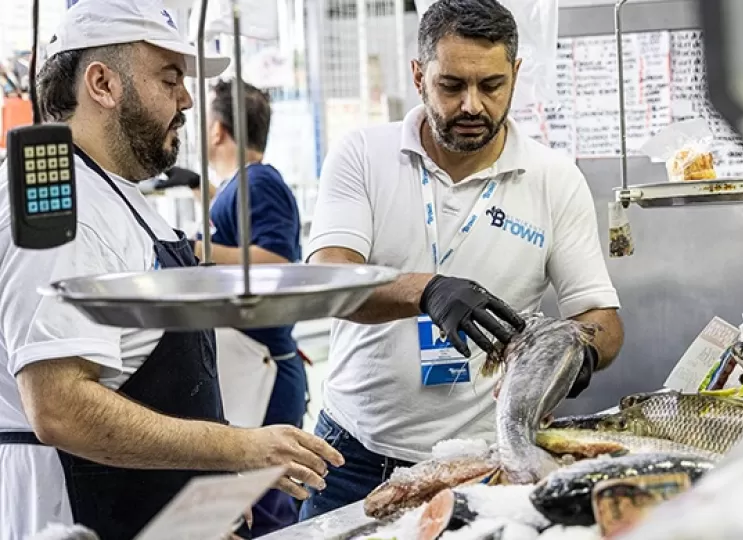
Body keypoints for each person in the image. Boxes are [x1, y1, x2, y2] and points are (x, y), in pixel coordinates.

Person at [0, 2, 343, 539]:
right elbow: (59, 407)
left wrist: (205, 489)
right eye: (169, 79)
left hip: (145, 509)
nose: (186, 99)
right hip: (80, 512)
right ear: (102, 84)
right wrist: (240, 448)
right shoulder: (64, 205)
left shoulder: (114, 191)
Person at [300, 0, 624, 520]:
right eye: (451, 86)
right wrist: (425, 290)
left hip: (485, 460)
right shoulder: (362, 154)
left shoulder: (554, 179)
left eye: (492, 86)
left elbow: (601, 319)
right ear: (418, 77)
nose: (472, 105)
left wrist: (579, 352)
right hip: (354, 457)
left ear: (515, 75)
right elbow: (326, 283)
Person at [196, 78, 308, 536]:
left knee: (264, 512)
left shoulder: (258, 181)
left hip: (264, 371)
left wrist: (194, 250)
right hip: (248, 368)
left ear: (217, 130)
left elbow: (277, 261)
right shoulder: (239, 186)